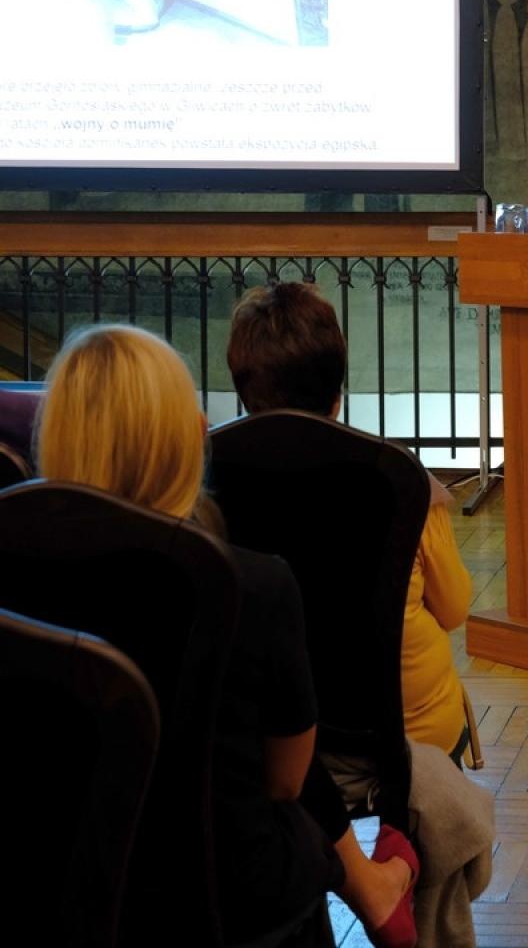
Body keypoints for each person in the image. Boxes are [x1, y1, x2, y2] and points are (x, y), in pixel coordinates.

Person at [33, 325, 417, 946]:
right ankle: (372, 889)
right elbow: (287, 781)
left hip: (56, 873)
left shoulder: (22, 570)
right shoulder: (253, 587)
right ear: (180, 439)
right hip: (219, 891)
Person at [225, 281, 475, 761]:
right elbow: (455, 609)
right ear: (337, 394)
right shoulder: (399, 480)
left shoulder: (209, 474)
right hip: (403, 731)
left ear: (243, 391)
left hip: (263, 731)